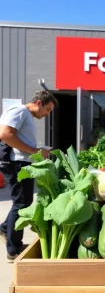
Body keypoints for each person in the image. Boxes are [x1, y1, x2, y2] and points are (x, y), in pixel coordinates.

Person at [0, 91, 58, 263]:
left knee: (22, 202)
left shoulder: (24, 115)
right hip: (16, 164)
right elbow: (5, 134)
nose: (47, 114)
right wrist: (35, 151)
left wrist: (37, 150)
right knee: (21, 205)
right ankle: (13, 251)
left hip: (21, 162)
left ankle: (5, 229)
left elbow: (16, 139)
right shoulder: (19, 111)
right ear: (39, 103)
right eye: (47, 110)